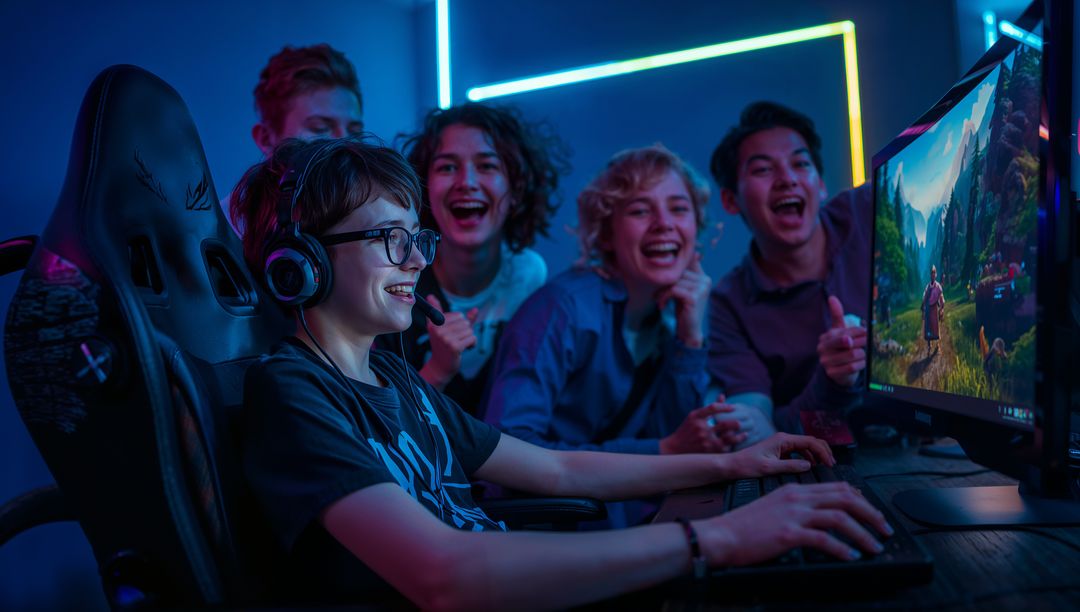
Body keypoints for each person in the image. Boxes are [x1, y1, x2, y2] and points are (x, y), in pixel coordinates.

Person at [229, 136, 893, 608]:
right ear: (302, 263)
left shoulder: (397, 381)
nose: (416, 261)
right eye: (390, 239)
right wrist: (716, 538)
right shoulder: (292, 392)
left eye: (416, 238)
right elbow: (443, 574)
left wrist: (732, 466)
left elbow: (558, 470)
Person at [485, 145, 747, 527]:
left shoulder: (665, 322)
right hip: (539, 534)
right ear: (606, 234)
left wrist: (690, 338)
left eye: (678, 208)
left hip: (618, 521)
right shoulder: (563, 310)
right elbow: (507, 453)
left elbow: (678, 448)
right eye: (640, 210)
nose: (664, 224)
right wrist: (664, 449)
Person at [384, 103, 568, 413]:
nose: (467, 182)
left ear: (516, 188)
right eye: (447, 167)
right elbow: (382, 424)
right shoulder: (397, 280)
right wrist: (438, 370)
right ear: (423, 188)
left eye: (487, 166)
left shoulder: (529, 275)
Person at [707, 101, 870, 442]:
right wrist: (832, 380)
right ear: (731, 200)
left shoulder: (871, 210)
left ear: (820, 184)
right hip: (829, 461)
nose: (787, 180)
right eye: (763, 170)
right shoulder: (729, 304)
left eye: (800, 164)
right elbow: (760, 433)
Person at [226, 43, 365, 233]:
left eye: (355, 132)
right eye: (320, 128)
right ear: (266, 139)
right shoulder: (219, 233)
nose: (346, 143)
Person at [922, 265, 945, 356]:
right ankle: (929, 345)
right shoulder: (927, 287)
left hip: (934, 309)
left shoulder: (938, 286)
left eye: (934, 273)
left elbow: (941, 297)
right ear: (930, 275)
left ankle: (938, 345)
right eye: (932, 273)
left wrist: (942, 308)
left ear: (936, 274)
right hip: (928, 309)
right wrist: (923, 308)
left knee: (936, 327)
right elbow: (924, 297)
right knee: (928, 327)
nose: (933, 275)